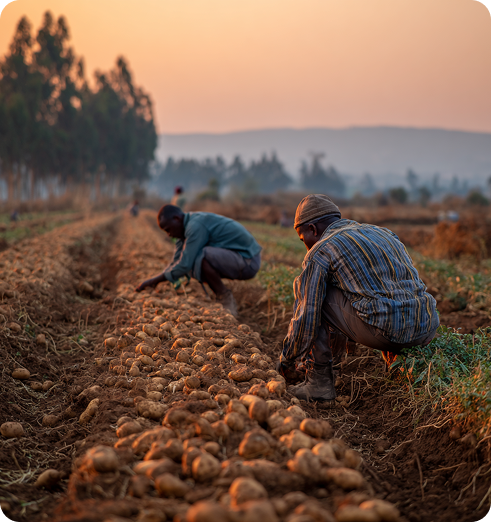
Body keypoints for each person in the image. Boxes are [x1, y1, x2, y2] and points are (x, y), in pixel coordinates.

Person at [277, 194, 439, 403]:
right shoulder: (383, 233)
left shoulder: (322, 248)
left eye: (303, 239)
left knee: (316, 295)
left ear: (313, 230)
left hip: (387, 333)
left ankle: (319, 383)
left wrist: (287, 358)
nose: (306, 246)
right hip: (426, 326)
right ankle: (396, 367)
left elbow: (307, 314)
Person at [135, 205, 262, 317]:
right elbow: (177, 261)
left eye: (168, 229)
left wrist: (155, 281)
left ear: (177, 219)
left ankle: (225, 298)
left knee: (200, 256)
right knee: (194, 258)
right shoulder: (184, 229)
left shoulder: (195, 226)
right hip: (236, 258)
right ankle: (219, 294)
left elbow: (184, 264)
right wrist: (154, 281)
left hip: (248, 261)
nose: (168, 235)